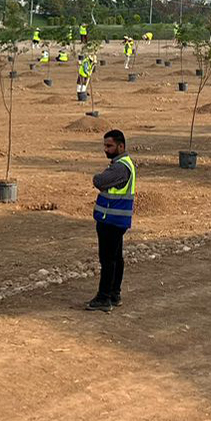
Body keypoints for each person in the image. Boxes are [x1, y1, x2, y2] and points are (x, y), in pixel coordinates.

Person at [86, 129, 135, 312]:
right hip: (117, 219)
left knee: (107, 260)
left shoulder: (120, 167)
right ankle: (114, 294)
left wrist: (96, 177)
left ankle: (104, 297)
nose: (106, 149)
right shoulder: (124, 164)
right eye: (105, 145)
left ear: (121, 146)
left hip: (111, 219)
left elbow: (100, 181)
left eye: (109, 146)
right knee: (115, 258)